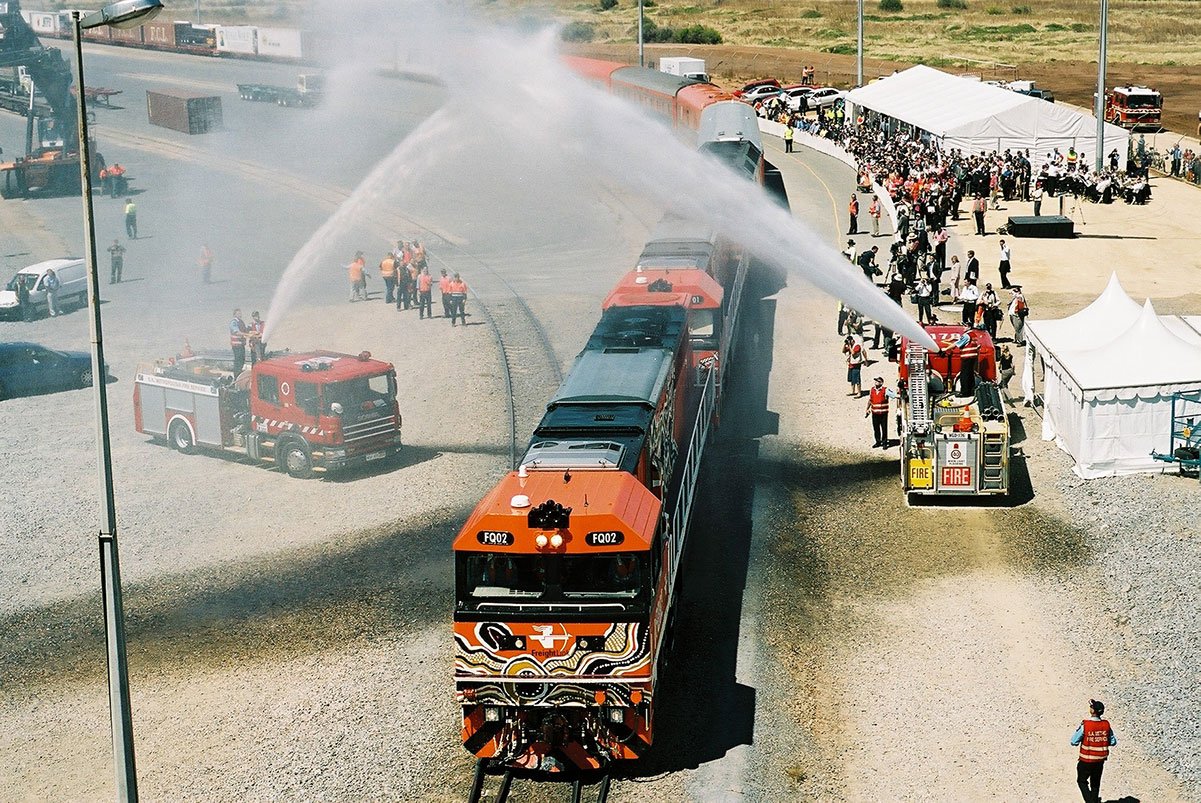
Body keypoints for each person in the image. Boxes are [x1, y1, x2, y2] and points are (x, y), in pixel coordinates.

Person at [1071, 699, 1117, 803]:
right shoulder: (1106, 725)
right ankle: (1093, 800)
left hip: (1086, 761)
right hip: (1099, 761)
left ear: (1092, 711)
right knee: (1095, 784)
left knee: (1082, 781)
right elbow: (1113, 742)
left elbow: (1073, 741)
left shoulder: (1086, 725)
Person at [865, 375, 894, 447]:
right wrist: (867, 409)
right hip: (875, 413)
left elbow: (893, 395)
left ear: (881, 383)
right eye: (875, 381)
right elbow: (870, 400)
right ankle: (878, 441)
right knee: (876, 428)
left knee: (884, 428)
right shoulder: (872, 390)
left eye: (878, 381)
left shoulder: (885, 390)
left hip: (883, 413)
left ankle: (884, 443)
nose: (876, 382)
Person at [229, 309, 248, 375]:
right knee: (238, 361)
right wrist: (246, 334)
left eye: (240, 313)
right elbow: (236, 332)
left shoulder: (241, 322)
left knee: (242, 360)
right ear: (234, 315)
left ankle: (239, 374)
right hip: (236, 345)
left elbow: (245, 330)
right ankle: (236, 376)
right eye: (238, 313)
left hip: (241, 345)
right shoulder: (233, 322)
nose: (240, 314)